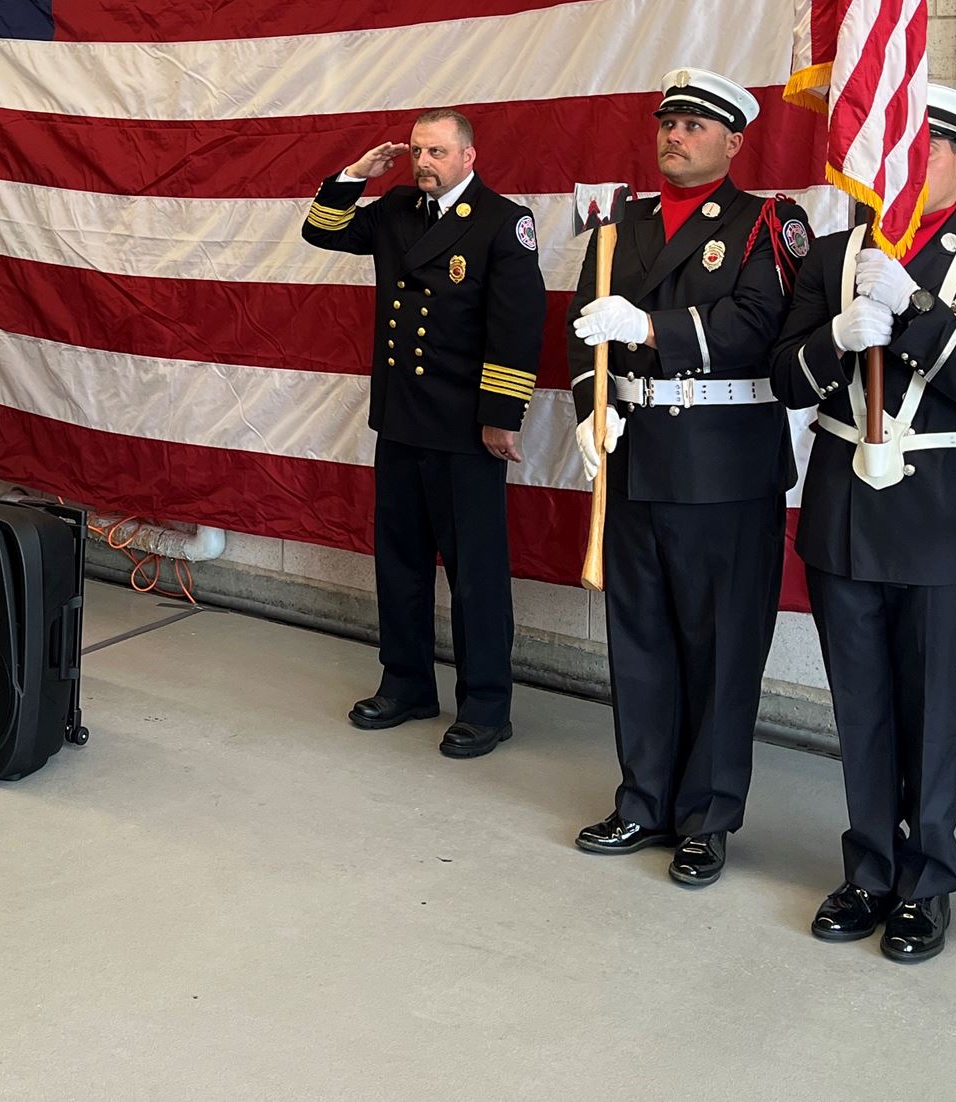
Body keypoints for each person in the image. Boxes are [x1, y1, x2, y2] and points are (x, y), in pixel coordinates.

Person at [769, 87, 956, 963]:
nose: (901, 166)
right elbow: (784, 377)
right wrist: (841, 339)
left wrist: (920, 311)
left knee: (933, 706)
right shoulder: (827, 257)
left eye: (922, 149)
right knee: (860, 704)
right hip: (848, 501)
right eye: (889, 147)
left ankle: (924, 884)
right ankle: (867, 868)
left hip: (942, 515)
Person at [567, 67, 812, 887]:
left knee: (722, 647)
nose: (676, 134)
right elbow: (584, 330)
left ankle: (707, 816)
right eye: (669, 120)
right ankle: (642, 799)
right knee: (640, 643)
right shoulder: (617, 226)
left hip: (723, 464)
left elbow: (756, 324)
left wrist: (649, 325)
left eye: (696, 123)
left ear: (734, 140)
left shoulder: (766, 222)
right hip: (636, 453)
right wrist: (586, 405)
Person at [301, 109, 545, 758]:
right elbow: (321, 232)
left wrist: (501, 415)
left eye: (436, 150)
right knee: (401, 563)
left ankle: (487, 706)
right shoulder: (397, 210)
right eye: (415, 151)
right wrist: (355, 175)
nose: (422, 162)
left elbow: (517, 324)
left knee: (476, 575)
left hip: (466, 427)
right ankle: (406, 684)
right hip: (403, 418)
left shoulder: (501, 222)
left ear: (469, 156)